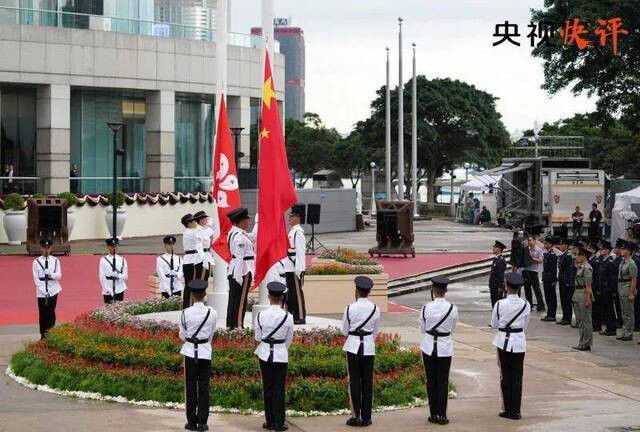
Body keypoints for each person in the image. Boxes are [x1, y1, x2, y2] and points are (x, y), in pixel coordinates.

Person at [342, 276, 381, 427]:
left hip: (352, 346)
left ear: (356, 290)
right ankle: (366, 416)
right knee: (367, 381)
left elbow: (344, 330)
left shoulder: (350, 308)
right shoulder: (375, 308)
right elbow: (376, 331)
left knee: (354, 382)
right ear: (369, 291)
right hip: (368, 346)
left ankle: (355, 415)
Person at [255, 282, 294, 432]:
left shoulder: (261, 315)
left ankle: (269, 421)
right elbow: (289, 339)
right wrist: (281, 349)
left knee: (267, 388)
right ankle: (279, 422)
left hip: (264, 353)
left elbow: (258, 337)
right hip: (280, 353)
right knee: (279, 388)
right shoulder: (288, 317)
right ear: (281, 297)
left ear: (269, 296)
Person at [179, 279, 217, 432]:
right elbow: (211, 334)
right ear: (204, 294)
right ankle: (202, 422)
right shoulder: (212, 312)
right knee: (204, 388)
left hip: (189, 352)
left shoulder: (185, 313)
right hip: (205, 352)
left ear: (192, 295)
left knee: (190, 388)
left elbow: (182, 335)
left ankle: (192, 422)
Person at [419, 276, 458, 425]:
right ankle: (442, 414)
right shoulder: (453, 308)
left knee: (431, 380)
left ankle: (433, 413)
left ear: (433, 291)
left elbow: (423, 329)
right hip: (444, 346)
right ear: (446, 290)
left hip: (428, 346)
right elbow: (452, 329)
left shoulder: (425, 308)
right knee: (443, 380)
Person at [491, 273, 530, 421]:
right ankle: (516, 410)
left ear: (507, 287)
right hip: (519, 341)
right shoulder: (525, 304)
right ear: (519, 287)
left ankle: (507, 409)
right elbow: (526, 325)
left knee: (505, 376)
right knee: (518, 376)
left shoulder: (500, 304)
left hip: (503, 342)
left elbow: (494, 323)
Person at [226, 207, 255, 329]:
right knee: (240, 300)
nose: (249, 222)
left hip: (237, 269)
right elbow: (239, 257)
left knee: (234, 299)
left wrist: (259, 223)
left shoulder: (235, 233)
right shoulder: (239, 237)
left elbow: (254, 237)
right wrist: (239, 276)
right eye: (247, 220)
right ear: (241, 221)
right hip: (242, 270)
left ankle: (231, 325)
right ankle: (238, 326)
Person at [32, 238, 62, 339]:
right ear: (41, 248)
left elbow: (59, 276)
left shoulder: (56, 261)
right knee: (42, 313)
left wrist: (51, 274)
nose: (46, 250)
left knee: (51, 312)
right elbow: (36, 279)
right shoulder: (36, 262)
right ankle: (43, 334)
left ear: (50, 248)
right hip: (41, 291)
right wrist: (42, 290)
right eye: (44, 248)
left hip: (53, 289)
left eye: (48, 248)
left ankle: (51, 332)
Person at [284, 205, 306, 324]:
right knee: (291, 293)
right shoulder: (292, 232)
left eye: (291, 216)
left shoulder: (298, 232)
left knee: (297, 293)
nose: (289, 219)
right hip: (288, 267)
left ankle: (300, 316)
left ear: (298, 217)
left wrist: (299, 269)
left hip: (294, 268)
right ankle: (293, 314)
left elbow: (300, 252)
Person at [182, 213, 207, 309]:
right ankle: (189, 306)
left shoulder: (192, 231)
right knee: (192, 285)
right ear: (188, 224)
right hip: (193, 260)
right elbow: (202, 237)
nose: (195, 222)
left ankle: (188, 306)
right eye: (192, 221)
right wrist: (207, 226)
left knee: (189, 285)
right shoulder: (190, 232)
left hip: (191, 259)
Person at [572, 247, 594, 351]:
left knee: (586, 320)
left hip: (584, 294)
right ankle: (582, 342)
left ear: (584, 256)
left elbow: (588, 286)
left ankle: (587, 343)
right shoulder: (580, 267)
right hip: (577, 294)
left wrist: (587, 299)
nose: (577, 257)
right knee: (580, 320)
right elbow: (574, 264)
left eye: (579, 255)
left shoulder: (587, 268)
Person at [617, 241, 638, 341]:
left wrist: (631, 293)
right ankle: (625, 330)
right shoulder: (622, 261)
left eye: (624, 249)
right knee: (623, 312)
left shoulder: (631, 263)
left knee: (629, 312)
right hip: (621, 288)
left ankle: (629, 333)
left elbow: (633, 279)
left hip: (627, 288)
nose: (622, 251)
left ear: (629, 251)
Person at [598, 241, 618, 336]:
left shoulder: (610, 262)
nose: (601, 251)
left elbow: (612, 277)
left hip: (608, 289)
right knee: (605, 308)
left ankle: (612, 328)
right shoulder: (603, 260)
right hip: (603, 288)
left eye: (602, 249)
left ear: (607, 250)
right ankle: (608, 327)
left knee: (609, 309)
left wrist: (613, 290)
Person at [99, 238, 128, 304]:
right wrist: (107, 289)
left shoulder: (122, 260)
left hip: (119, 288)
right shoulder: (103, 260)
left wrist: (118, 275)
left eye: (116, 246)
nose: (114, 248)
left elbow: (126, 277)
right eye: (112, 246)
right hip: (107, 288)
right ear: (108, 247)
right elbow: (101, 276)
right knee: (108, 310)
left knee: (118, 310)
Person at [523, 235, 545, 312]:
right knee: (527, 289)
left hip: (533, 271)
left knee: (536, 289)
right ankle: (529, 305)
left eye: (530, 240)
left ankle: (541, 305)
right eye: (528, 240)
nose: (529, 242)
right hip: (526, 271)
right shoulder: (527, 250)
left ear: (535, 241)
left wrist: (532, 259)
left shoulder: (538, 250)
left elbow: (541, 260)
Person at [556, 238, 575, 325]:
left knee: (567, 300)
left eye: (562, 244)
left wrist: (568, 281)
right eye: (560, 244)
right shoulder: (563, 255)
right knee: (563, 300)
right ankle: (565, 317)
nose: (560, 246)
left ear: (566, 246)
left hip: (566, 281)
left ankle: (568, 318)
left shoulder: (568, 256)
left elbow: (569, 270)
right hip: (562, 280)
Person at [194, 211, 217, 282]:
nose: (207, 220)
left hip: (206, 257)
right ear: (201, 220)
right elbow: (199, 247)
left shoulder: (202, 230)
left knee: (204, 281)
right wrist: (204, 260)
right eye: (205, 219)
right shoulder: (198, 230)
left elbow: (208, 233)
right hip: (201, 259)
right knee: (200, 282)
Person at [541, 236, 559, 322]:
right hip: (546, 278)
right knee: (548, 297)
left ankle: (552, 315)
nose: (544, 244)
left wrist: (554, 280)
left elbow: (553, 269)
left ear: (550, 244)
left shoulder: (552, 255)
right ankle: (549, 313)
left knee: (551, 297)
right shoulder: (547, 254)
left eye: (546, 243)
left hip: (550, 279)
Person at [588, 243, 603, 333]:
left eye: (589, 248)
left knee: (596, 307)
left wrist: (597, 288)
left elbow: (597, 276)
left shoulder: (595, 261)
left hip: (595, 286)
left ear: (593, 250)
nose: (587, 249)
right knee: (592, 307)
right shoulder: (591, 260)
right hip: (591, 286)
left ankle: (597, 325)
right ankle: (594, 324)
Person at [489, 241, 507, 307]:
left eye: (495, 247)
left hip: (496, 287)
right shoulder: (496, 259)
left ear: (499, 249)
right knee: (494, 304)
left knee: (496, 305)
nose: (493, 249)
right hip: (493, 285)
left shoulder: (501, 260)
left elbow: (501, 275)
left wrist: (500, 287)